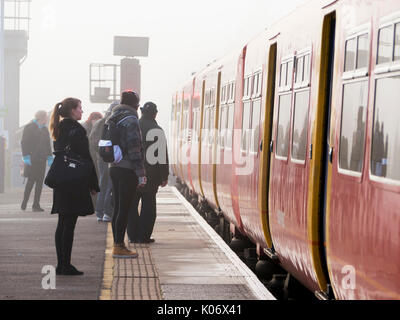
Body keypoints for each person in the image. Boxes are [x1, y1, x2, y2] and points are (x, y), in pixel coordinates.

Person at [49, 98, 100, 276]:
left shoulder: (59, 128)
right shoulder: (77, 131)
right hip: (74, 181)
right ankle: (66, 265)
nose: (82, 111)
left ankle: (60, 264)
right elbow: (86, 159)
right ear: (72, 111)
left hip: (62, 179)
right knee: (69, 224)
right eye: (79, 108)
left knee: (62, 222)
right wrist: (93, 183)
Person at [108, 91, 147, 259]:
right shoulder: (131, 120)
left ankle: (117, 244)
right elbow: (134, 148)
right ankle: (119, 246)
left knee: (117, 208)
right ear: (136, 106)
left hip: (114, 167)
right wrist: (141, 174)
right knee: (124, 208)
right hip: (127, 169)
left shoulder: (113, 117)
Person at [127, 102, 169, 244]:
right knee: (149, 206)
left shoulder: (133, 126)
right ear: (155, 114)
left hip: (133, 173)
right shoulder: (157, 130)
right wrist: (164, 176)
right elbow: (162, 156)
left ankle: (133, 236)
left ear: (142, 112)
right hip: (152, 176)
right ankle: (144, 236)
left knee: (131, 205)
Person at [89, 101, 120, 222]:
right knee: (110, 185)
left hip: (100, 158)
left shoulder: (99, 122)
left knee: (103, 183)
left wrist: (100, 152)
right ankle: (107, 212)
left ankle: (99, 212)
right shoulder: (114, 123)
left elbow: (92, 140)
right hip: (111, 158)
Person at [21, 110, 53, 212]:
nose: (47, 119)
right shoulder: (29, 127)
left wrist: (49, 157)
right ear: (41, 117)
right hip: (32, 159)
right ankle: (24, 202)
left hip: (42, 159)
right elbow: (24, 142)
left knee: (39, 183)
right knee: (30, 182)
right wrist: (26, 156)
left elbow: (48, 145)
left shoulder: (44, 130)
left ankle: (36, 205)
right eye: (46, 117)